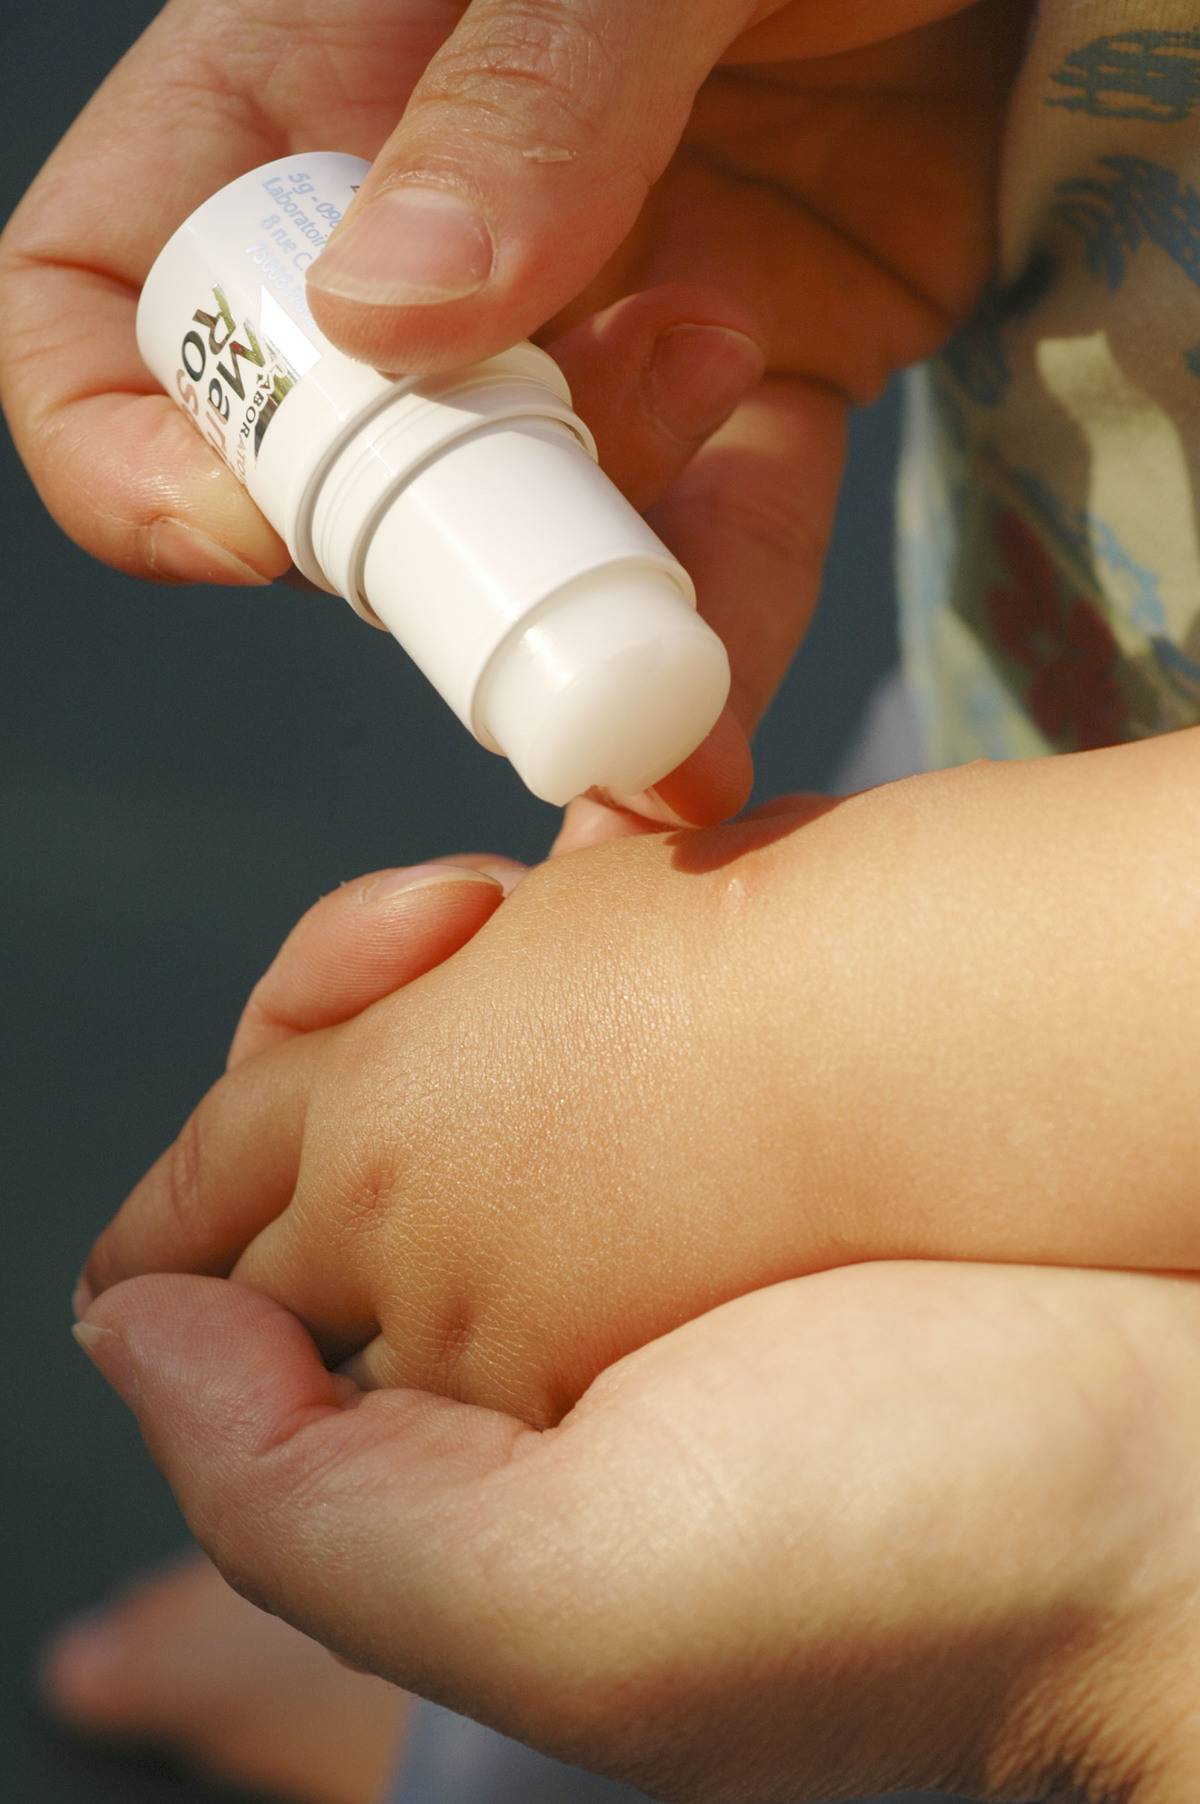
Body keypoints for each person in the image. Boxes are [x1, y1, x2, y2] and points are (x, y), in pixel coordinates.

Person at [7, 0, 1200, 1798]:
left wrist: (765, 1035)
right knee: (622, 1552)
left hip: (965, 997)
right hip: (1038, 741)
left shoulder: (797, 1006)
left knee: (763, 1553)